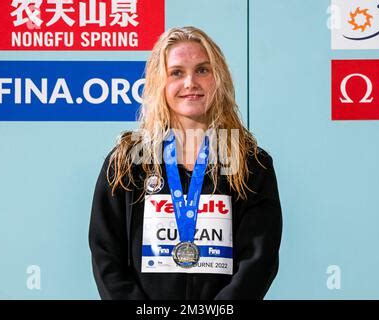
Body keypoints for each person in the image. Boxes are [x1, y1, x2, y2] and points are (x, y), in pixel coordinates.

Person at [88, 26, 282, 300]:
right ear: (159, 82)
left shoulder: (250, 164)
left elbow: (258, 260)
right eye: (177, 72)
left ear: (219, 79)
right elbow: (106, 255)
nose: (191, 82)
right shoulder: (127, 161)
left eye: (203, 70)